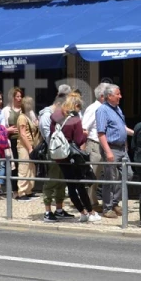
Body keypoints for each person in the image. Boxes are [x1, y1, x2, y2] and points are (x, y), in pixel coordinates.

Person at [48, 94, 94, 223]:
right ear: (76, 106)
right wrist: (85, 135)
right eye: (80, 108)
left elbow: (52, 134)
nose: (80, 111)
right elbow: (78, 140)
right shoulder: (75, 119)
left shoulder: (56, 116)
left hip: (59, 156)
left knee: (71, 186)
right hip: (72, 157)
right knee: (79, 185)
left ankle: (82, 212)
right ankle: (89, 212)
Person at [96, 84, 132, 218]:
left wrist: (135, 134)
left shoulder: (117, 109)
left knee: (128, 175)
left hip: (122, 148)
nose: (120, 96)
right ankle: (107, 207)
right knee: (110, 178)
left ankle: (115, 202)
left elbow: (122, 128)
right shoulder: (102, 110)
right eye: (118, 94)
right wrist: (108, 152)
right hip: (111, 148)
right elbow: (101, 133)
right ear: (109, 96)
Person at [39, 85, 71, 219]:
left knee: (61, 181)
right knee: (51, 181)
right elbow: (48, 137)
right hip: (53, 152)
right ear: (58, 103)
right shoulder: (46, 116)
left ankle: (59, 209)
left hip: (63, 152)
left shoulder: (60, 115)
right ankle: (47, 212)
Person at [81, 82, 108, 212]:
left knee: (104, 175)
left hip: (105, 145)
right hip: (94, 145)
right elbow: (84, 128)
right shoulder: (93, 108)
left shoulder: (107, 108)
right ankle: (91, 202)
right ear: (102, 95)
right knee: (94, 174)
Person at [16, 96, 40, 202]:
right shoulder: (22, 117)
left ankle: (29, 190)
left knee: (31, 169)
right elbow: (22, 134)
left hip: (30, 146)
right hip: (24, 146)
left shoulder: (28, 116)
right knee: (24, 168)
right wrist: (30, 148)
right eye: (29, 103)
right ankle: (21, 192)